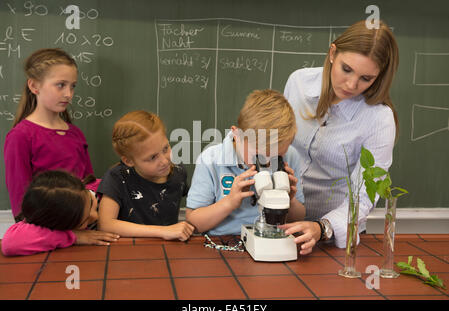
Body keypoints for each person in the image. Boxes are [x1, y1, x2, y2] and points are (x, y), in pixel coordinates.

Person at [280, 20, 399, 254]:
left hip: (332, 235)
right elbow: (278, 146)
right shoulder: (298, 83)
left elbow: (365, 195)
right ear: (333, 53)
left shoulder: (379, 119)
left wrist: (322, 227)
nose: (352, 84)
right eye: (347, 69)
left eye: (367, 78)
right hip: (284, 221)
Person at [186, 89, 306, 236]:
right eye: (258, 156)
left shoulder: (291, 156)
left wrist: (291, 201)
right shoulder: (210, 160)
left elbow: (299, 218)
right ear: (237, 135)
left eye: (277, 157)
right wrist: (229, 203)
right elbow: (193, 223)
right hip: (223, 243)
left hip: (271, 237)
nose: (267, 163)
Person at [4, 48, 99, 220]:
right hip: (44, 229)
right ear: (34, 86)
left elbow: (89, 183)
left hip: (82, 221)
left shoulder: (75, 133)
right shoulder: (21, 136)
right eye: (60, 85)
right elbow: (20, 204)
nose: (68, 94)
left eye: (72, 86)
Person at [97, 110, 194, 241]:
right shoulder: (117, 177)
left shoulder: (178, 172)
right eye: (153, 157)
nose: (165, 161)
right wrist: (163, 231)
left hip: (168, 251)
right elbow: (106, 225)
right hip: (128, 252)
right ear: (129, 161)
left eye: (165, 148)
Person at [1, 170, 120, 256]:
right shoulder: (52, 216)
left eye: (92, 204)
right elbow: (10, 244)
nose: (97, 216)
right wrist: (74, 236)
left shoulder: (106, 188)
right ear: (61, 226)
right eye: (84, 221)